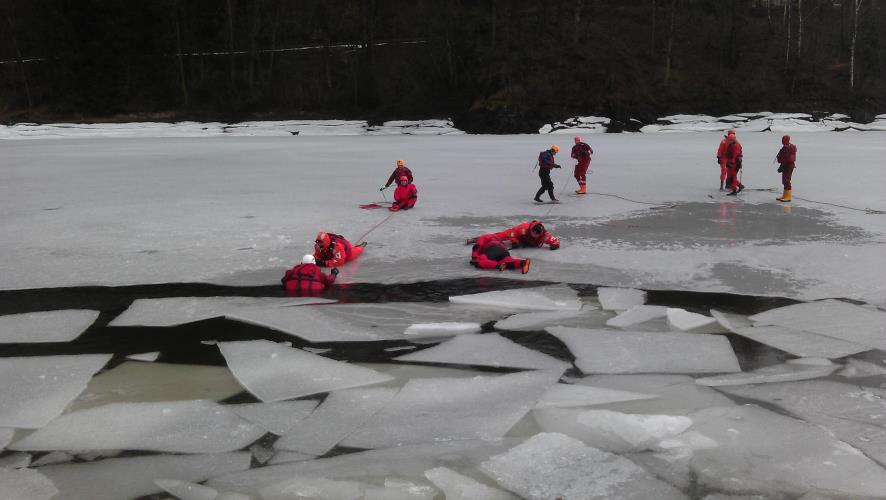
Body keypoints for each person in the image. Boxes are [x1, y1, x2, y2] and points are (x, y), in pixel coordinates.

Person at [466, 220, 560, 250]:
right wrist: (514, 241)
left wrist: (554, 246)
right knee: (499, 236)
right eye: (533, 233)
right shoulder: (523, 229)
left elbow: (556, 242)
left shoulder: (545, 235)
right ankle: (476, 239)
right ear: (531, 230)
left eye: (536, 234)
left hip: (530, 243)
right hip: (520, 237)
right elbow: (509, 235)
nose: (534, 235)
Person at [775, 135, 797, 202]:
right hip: (787, 165)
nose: (782, 141)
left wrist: (781, 166)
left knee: (786, 180)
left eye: (783, 139)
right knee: (785, 180)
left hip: (788, 166)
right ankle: (785, 195)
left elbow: (787, 159)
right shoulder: (787, 147)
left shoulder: (787, 148)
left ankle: (788, 196)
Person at [724, 130, 744, 195]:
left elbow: (734, 156)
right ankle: (739, 186)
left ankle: (734, 189)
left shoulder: (735, 146)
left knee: (732, 177)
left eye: (729, 140)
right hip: (732, 163)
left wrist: (730, 163)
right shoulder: (733, 144)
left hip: (733, 164)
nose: (728, 141)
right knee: (732, 177)